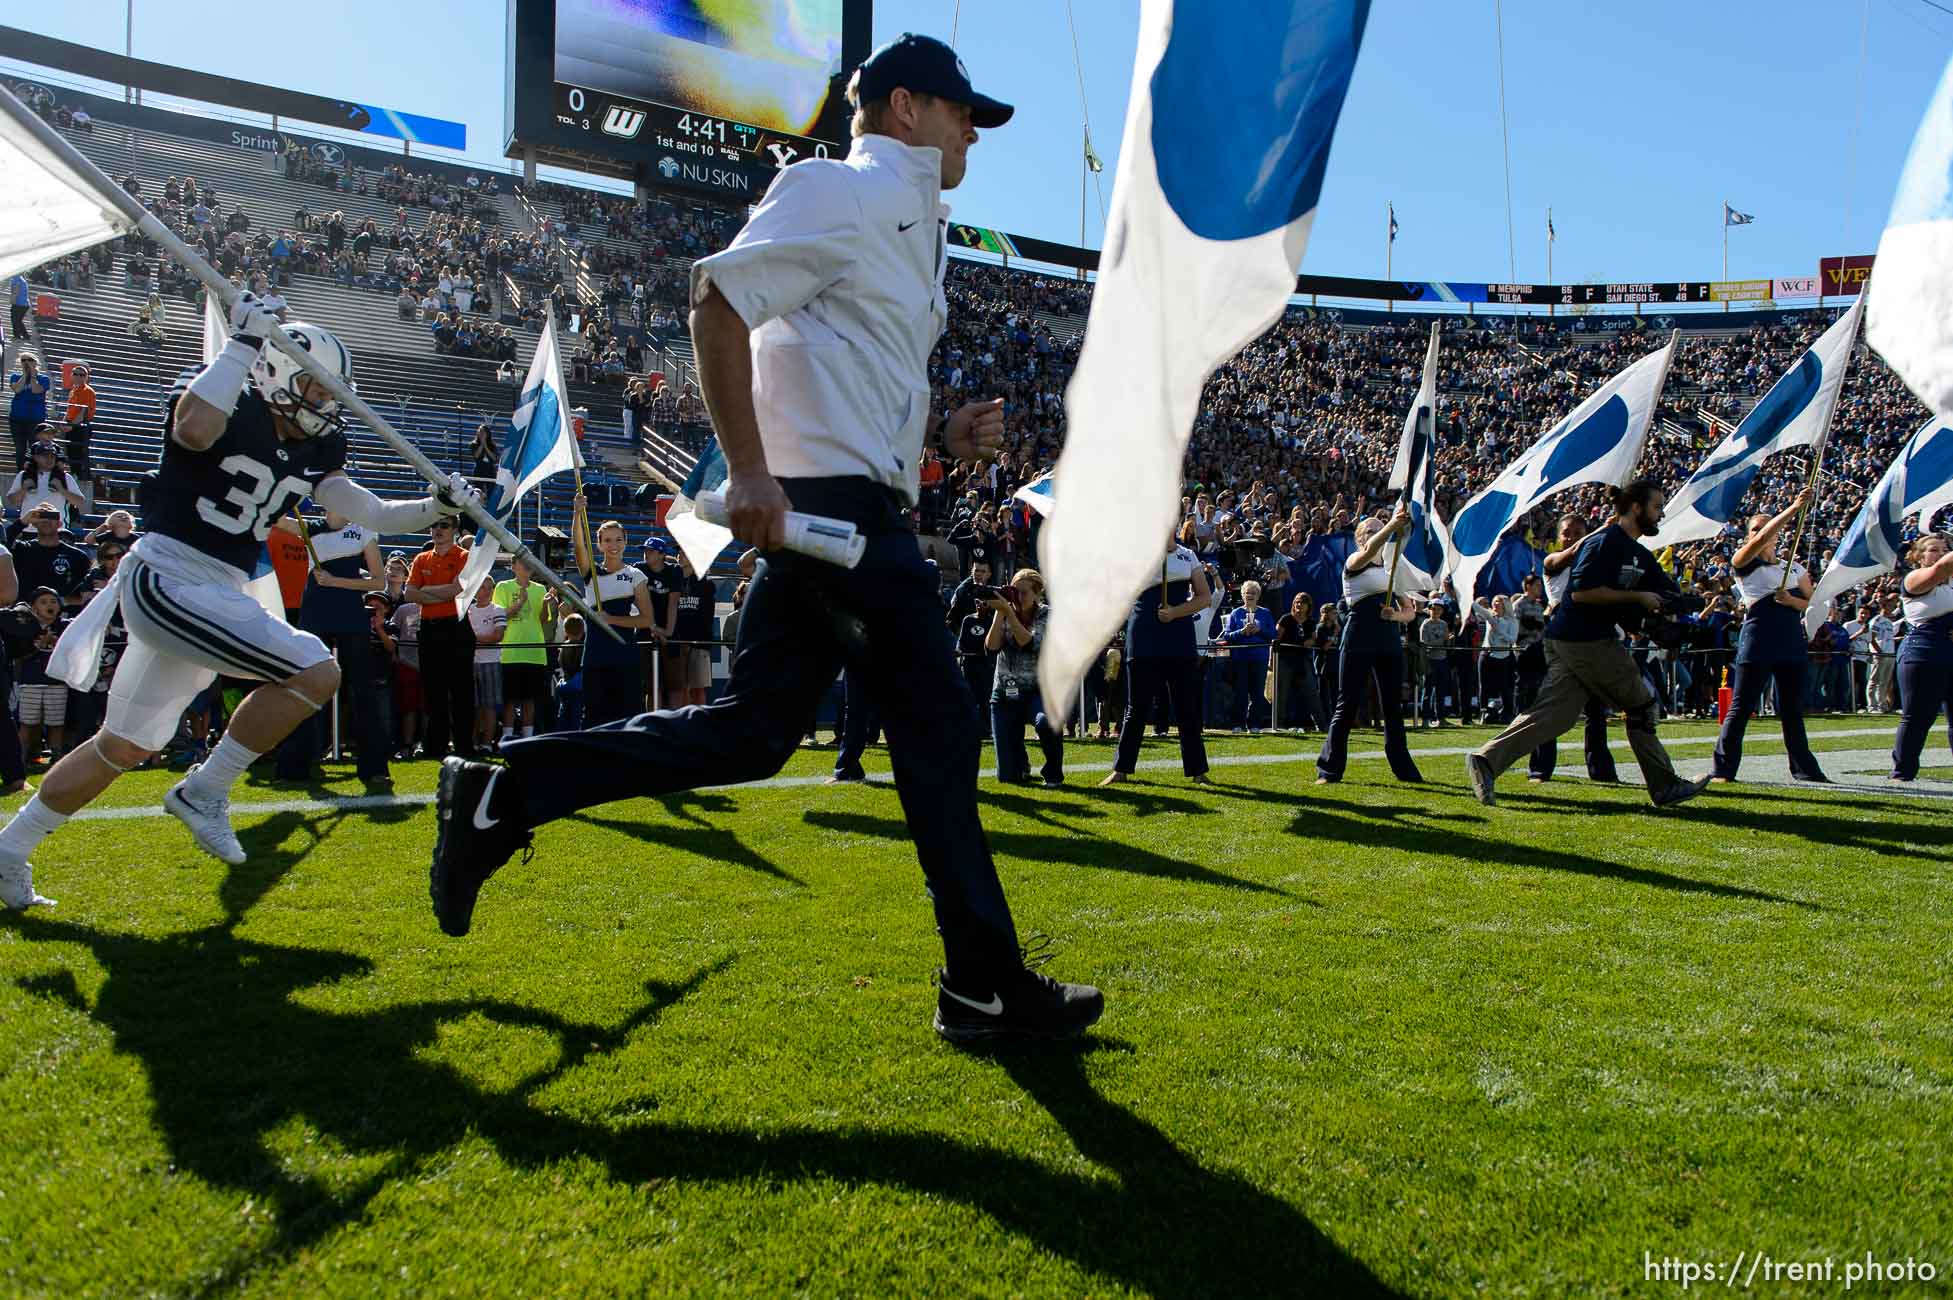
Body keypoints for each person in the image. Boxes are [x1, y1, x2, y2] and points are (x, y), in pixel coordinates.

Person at [426, 33, 1101, 1043]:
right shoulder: (848, 189)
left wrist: (935, 437)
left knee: (752, 732)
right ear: (907, 106)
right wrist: (745, 469)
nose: (974, 131)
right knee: (942, 726)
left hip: (845, 507)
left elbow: (833, 383)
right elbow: (716, 296)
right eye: (965, 110)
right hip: (834, 513)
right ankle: (982, 982)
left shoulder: (908, 223)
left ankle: (504, 790)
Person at [0, 299, 473, 909]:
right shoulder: (227, 398)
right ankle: (207, 788)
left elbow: (372, 512)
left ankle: (9, 850)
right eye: (313, 387)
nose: (324, 403)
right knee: (316, 669)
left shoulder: (318, 449)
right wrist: (241, 343)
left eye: (330, 392)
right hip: (170, 574)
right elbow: (192, 430)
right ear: (275, 370)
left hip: (209, 591)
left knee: (123, 745)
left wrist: (435, 508)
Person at [1467, 480, 1713, 809]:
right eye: (1656, 506)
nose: (1662, 513)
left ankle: (1485, 761)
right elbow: (1582, 592)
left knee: (1555, 715)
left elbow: (1668, 594)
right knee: (1641, 706)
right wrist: (1637, 596)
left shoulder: (1638, 553)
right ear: (1636, 508)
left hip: (1570, 640)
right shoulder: (1604, 542)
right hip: (1585, 638)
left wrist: (1687, 607)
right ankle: (1665, 786)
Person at [1709, 489, 1828, 784]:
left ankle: (1804, 769)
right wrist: (1794, 508)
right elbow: (1760, 541)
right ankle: (1723, 769)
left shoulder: (1794, 568)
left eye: (1765, 527)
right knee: (1741, 706)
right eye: (1754, 529)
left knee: (1791, 710)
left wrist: (1792, 602)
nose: (1759, 533)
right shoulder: (1743, 561)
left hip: (1790, 639)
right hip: (1759, 638)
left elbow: (1814, 603)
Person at [280, 509, 389, 788]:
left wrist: (335, 581)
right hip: (315, 614)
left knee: (363, 690)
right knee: (304, 686)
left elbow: (379, 582)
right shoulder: (308, 529)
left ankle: (375, 767)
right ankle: (295, 765)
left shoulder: (364, 530)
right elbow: (274, 516)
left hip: (351, 615)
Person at [1316, 506, 1422, 785]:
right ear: (1361, 537)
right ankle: (1329, 770)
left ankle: (1405, 771)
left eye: (1380, 528)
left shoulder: (1391, 569)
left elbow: (1409, 610)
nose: (1378, 533)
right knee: (1347, 703)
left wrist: (1396, 615)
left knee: (1392, 707)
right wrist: (1391, 527)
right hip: (1359, 634)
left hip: (1388, 638)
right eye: (1372, 530)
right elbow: (1371, 549)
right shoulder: (1354, 561)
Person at [1102, 532, 1213, 788]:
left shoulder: (1188, 555)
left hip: (1179, 637)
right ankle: (1121, 769)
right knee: (1137, 707)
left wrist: (1175, 612)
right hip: (1144, 637)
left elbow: (1204, 597)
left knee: (1186, 707)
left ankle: (1198, 771)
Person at [1525, 514, 1619, 785]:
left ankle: (1601, 771)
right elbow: (1574, 552)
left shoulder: (1596, 568)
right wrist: (1602, 530)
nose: (1573, 537)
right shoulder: (1551, 563)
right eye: (1567, 532)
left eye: (1579, 532)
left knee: (1596, 710)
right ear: (1558, 537)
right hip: (1560, 639)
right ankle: (1540, 769)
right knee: (1549, 705)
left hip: (1590, 637)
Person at [404, 516, 476, 758]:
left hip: (456, 627)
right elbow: (409, 594)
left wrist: (425, 591)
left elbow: (459, 589)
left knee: (461, 690)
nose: (437, 530)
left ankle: (465, 745)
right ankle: (435, 745)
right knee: (433, 690)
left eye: (444, 525)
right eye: (434, 525)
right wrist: (441, 593)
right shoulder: (421, 557)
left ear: (455, 530)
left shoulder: (464, 556)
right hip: (429, 628)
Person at [986, 568, 1062, 785]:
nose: (1017, 597)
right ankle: (1021, 763)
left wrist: (1008, 613)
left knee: (1046, 722)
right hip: (1004, 693)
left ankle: (1053, 773)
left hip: (1038, 690)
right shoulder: (1005, 610)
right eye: (1014, 591)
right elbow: (991, 648)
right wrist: (1001, 612)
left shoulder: (1047, 614)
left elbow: (1030, 643)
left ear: (1038, 594)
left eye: (1024, 592)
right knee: (1008, 778)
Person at [580, 516, 656, 725]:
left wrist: (611, 619)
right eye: (607, 540)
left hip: (625, 656)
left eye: (618, 539)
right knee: (593, 714)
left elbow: (647, 619)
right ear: (599, 544)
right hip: (595, 655)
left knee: (627, 714)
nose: (613, 545)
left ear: (625, 541)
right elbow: (578, 546)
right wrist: (577, 514)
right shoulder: (591, 573)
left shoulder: (635, 575)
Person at [1890, 533, 1953, 782]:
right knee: (1917, 717)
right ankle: (1902, 773)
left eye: (1945, 548)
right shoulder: (1914, 579)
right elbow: (1942, 568)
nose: (1942, 553)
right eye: (1934, 549)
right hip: (1924, 653)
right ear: (1919, 557)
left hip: (1949, 652)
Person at [494, 556, 553, 745]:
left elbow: (543, 619)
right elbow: (500, 616)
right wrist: (519, 603)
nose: (527, 565)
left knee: (530, 700)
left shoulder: (540, 589)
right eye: (522, 561)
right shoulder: (503, 587)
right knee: (510, 699)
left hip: (535, 653)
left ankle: (528, 739)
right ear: (513, 566)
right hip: (510, 652)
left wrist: (545, 605)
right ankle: (507, 738)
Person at [1218, 580, 1276, 734]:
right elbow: (1228, 636)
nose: (1250, 595)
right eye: (1247, 593)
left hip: (1260, 658)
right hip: (1240, 658)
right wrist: (1241, 632)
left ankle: (1255, 724)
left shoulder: (1265, 613)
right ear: (1242, 595)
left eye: (1253, 593)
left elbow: (1273, 635)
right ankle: (1238, 724)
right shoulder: (1236, 613)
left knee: (1257, 693)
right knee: (1240, 693)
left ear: (1259, 596)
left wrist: (1259, 630)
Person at [1272, 591, 1324, 734]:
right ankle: (1278, 725)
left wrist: (1311, 641)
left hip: (1302, 662)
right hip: (1284, 661)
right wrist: (1271, 662)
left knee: (1312, 693)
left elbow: (1314, 638)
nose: (1299, 605)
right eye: (1296, 602)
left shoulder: (1310, 622)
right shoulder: (1286, 619)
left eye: (1302, 602)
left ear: (1308, 605)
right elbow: (1275, 639)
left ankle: (1321, 725)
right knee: (1281, 694)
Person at [467, 578, 507, 751]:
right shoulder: (467, 610)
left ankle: (486, 744)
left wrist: (472, 640)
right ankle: (474, 742)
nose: (483, 591)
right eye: (480, 587)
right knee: (473, 706)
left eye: (487, 588)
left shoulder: (498, 610)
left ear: (492, 590)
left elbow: (497, 637)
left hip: (490, 662)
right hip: (471, 662)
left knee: (489, 706)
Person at [9, 353, 51, 470]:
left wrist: (32, 376)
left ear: (35, 362)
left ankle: (34, 471)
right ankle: (21, 471)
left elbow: (36, 390)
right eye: (23, 360)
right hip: (17, 418)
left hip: (36, 418)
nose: (26, 362)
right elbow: (17, 389)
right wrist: (25, 375)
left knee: (35, 446)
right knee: (20, 447)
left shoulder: (43, 379)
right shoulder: (15, 377)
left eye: (30, 360)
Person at [1867, 599, 1898, 713]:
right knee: (1874, 680)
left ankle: (1883, 705)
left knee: (1885, 681)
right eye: (1890, 606)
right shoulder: (1876, 620)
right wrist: (1878, 651)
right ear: (1883, 607)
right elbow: (1872, 638)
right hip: (1880, 654)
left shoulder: (1889, 622)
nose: (1892, 608)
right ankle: (1872, 706)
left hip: (1890, 654)